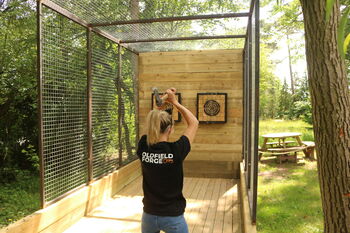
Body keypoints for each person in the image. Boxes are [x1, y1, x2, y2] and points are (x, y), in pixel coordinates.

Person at [137, 87, 199, 233]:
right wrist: (174, 101)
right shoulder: (176, 150)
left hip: (149, 216)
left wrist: (160, 105)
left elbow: (153, 122)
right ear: (170, 129)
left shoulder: (143, 146)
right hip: (173, 218)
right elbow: (194, 123)